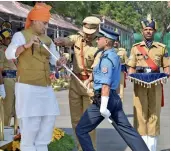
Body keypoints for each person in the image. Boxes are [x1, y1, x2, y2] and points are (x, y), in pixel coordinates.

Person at [75, 26, 149, 151]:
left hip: (105, 99)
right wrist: (89, 80)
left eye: (99, 38)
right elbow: (98, 72)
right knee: (128, 131)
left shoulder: (107, 59)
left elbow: (106, 85)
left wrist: (103, 106)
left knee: (81, 130)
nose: (97, 40)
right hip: (113, 98)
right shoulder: (109, 55)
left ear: (107, 41)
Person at [5, 3, 65, 151]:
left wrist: (60, 62)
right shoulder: (21, 35)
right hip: (27, 86)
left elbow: (54, 60)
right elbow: (9, 54)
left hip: (45, 86)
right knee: (30, 125)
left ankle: (42, 147)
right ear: (35, 21)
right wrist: (27, 45)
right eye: (44, 23)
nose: (46, 27)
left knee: (48, 120)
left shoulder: (48, 40)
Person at [54, 16, 101, 151]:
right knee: (76, 120)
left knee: (88, 121)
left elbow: (98, 67)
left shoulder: (100, 44)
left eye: (90, 32)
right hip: (75, 82)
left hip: (89, 84)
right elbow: (68, 40)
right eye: (86, 31)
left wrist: (90, 81)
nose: (87, 35)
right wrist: (61, 41)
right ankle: (80, 147)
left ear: (96, 30)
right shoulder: (77, 38)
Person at [127, 14, 170, 151]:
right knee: (140, 113)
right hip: (139, 84)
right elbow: (131, 66)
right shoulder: (135, 48)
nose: (148, 32)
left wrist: (167, 74)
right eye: (146, 29)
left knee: (154, 114)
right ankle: (141, 147)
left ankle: (151, 147)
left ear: (154, 31)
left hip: (156, 83)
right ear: (142, 32)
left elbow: (166, 66)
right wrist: (130, 74)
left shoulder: (161, 48)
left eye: (150, 30)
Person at [0, 22, 17, 126]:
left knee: (15, 107)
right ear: (2, 39)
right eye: (8, 38)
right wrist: (1, 85)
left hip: (15, 79)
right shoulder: (1, 51)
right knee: (7, 106)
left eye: (11, 38)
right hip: (7, 80)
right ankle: (4, 128)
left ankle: (13, 128)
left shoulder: (12, 50)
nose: (10, 40)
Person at [113, 36, 128, 102]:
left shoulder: (123, 51)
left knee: (120, 91)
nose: (115, 42)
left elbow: (127, 62)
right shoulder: (106, 50)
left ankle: (119, 108)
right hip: (109, 73)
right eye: (114, 41)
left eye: (117, 41)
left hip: (120, 73)